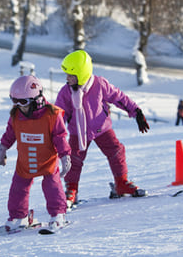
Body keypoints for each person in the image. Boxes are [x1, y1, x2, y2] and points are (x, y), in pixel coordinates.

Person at [55, 50, 150, 204]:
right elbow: (59, 115)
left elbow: (118, 97)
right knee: (73, 160)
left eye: (70, 75)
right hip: (78, 132)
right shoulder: (66, 92)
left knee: (116, 151)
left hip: (102, 127)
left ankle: (121, 183)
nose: (67, 78)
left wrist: (136, 111)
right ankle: (71, 189)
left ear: (82, 74)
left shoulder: (99, 84)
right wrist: (55, 135)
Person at [0, 75, 71, 232]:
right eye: (14, 101)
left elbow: (60, 137)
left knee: (52, 186)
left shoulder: (52, 115)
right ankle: (19, 217)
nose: (18, 106)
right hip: (25, 161)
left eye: (22, 102)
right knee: (18, 188)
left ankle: (58, 215)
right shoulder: (17, 115)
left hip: (47, 160)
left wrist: (65, 156)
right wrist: (3, 148)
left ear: (36, 99)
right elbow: (10, 133)